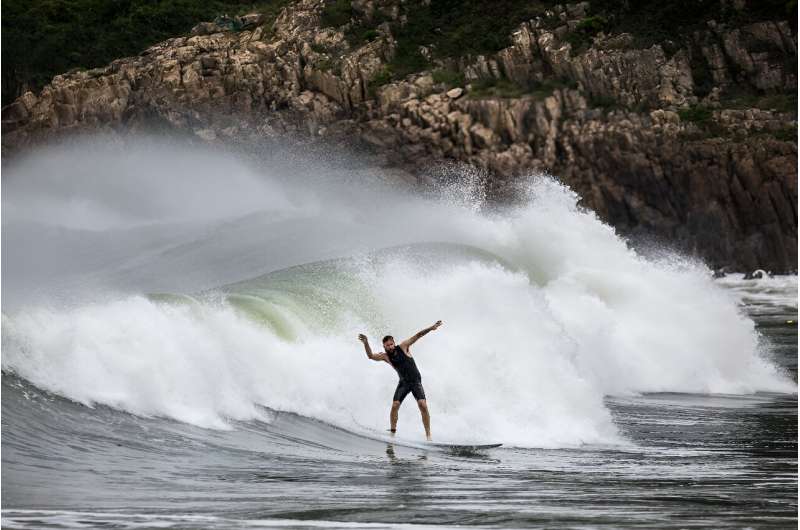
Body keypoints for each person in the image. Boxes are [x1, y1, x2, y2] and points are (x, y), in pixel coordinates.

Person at [358, 321, 442, 441]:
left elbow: (418, 335)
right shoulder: (385, 356)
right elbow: (370, 356)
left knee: (422, 405)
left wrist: (431, 328)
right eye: (387, 345)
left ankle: (428, 436)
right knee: (395, 405)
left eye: (391, 344)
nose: (390, 347)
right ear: (384, 346)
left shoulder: (403, 346)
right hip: (404, 383)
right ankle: (392, 432)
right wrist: (366, 343)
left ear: (394, 343)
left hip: (415, 381)